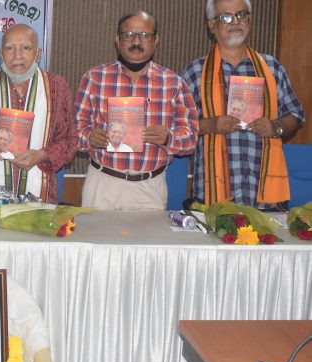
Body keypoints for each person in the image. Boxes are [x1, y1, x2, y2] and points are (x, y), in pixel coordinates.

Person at [182, 0, 305, 209]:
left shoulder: (272, 67)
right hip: (213, 197)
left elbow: (296, 115)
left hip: (266, 197)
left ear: (249, 21)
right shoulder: (195, 72)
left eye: (242, 14)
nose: (236, 21)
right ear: (211, 25)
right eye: (226, 17)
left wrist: (276, 127)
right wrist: (211, 125)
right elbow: (178, 128)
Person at [76, 10, 198, 210]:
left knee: (146, 242)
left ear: (156, 40)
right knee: (96, 241)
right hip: (102, 183)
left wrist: (169, 138)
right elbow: (75, 130)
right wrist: (90, 137)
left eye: (144, 36)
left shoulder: (174, 83)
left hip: (149, 187)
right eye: (129, 35)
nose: (136, 41)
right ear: (117, 40)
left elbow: (191, 139)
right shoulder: (94, 78)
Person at [0, 24, 77, 204]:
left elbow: (69, 141)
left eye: (25, 48)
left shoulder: (56, 86)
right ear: (1, 53)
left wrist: (42, 155)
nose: (17, 55)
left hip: (40, 193)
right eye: (9, 48)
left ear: (38, 53)